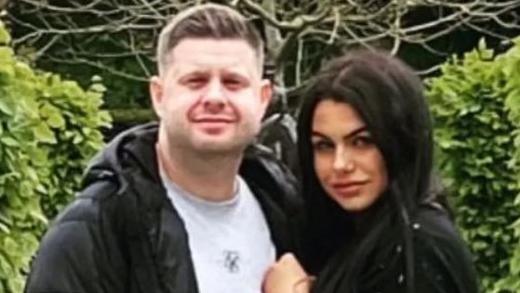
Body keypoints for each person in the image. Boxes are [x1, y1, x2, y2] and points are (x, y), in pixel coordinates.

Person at [25, 4, 301, 293]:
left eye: (233, 82)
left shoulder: (289, 213)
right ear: (159, 95)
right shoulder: (93, 233)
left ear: (262, 98)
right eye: (195, 81)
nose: (215, 97)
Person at [263, 51, 479, 293]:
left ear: (401, 142)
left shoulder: (419, 248)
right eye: (324, 146)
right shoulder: (346, 236)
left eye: (362, 142)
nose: (340, 164)